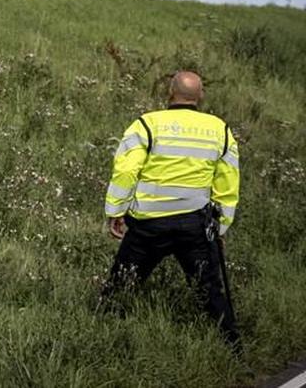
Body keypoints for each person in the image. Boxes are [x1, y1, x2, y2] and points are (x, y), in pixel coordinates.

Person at [99, 71, 240, 348]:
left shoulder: (147, 124)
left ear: (169, 92)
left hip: (148, 226)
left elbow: (126, 170)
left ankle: (103, 340)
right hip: (195, 227)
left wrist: (115, 211)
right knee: (210, 292)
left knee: (120, 287)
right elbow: (228, 182)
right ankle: (232, 348)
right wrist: (221, 227)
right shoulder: (219, 129)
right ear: (200, 96)